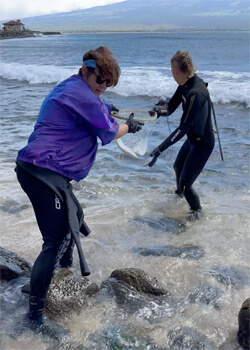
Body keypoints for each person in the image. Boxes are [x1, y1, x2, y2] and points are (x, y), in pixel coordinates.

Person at [15, 46, 143, 338]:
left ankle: (63, 272)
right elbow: (109, 133)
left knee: (76, 215)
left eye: (108, 84)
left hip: (40, 170)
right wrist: (130, 126)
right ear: (85, 69)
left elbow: (97, 109)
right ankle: (34, 317)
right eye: (100, 80)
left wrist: (106, 108)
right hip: (42, 172)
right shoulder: (83, 95)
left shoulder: (74, 88)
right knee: (56, 238)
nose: (102, 87)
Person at [148, 51, 215, 221]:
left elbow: (183, 128)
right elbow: (170, 108)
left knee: (186, 183)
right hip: (192, 139)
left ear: (178, 71)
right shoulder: (185, 85)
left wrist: (160, 148)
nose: (172, 75)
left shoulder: (196, 93)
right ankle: (179, 199)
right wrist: (158, 111)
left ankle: (197, 213)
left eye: (172, 71)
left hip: (203, 144)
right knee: (177, 167)